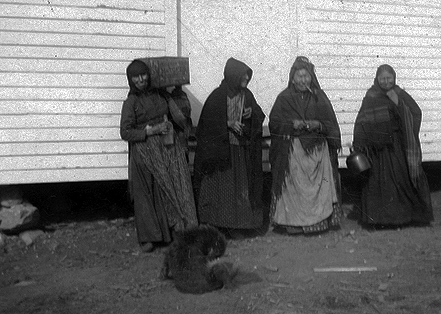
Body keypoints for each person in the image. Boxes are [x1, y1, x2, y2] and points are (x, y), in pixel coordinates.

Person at [120, 60, 198, 252]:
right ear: (130, 79)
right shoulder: (131, 103)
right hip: (144, 152)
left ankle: (173, 231)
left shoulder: (159, 95)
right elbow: (125, 132)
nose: (141, 80)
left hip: (165, 147)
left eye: (143, 75)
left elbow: (177, 115)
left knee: (169, 189)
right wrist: (149, 131)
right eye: (136, 77)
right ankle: (150, 237)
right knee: (147, 194)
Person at [352, 64, 433, 227]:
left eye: (389, 78)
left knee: (400, 181)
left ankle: (403, 218)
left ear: (394, 78)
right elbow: (361, 119)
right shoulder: (371, 95)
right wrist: (359, 141)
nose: (386, 81)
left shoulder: (399, 94)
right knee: (377, 184)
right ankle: (380, 219)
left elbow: (415, 113)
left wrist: (399, 105)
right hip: (376, 149)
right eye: (382, 78)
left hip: (396, 146)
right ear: (377, 79)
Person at [269, 56, 343, 234]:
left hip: (318, 151)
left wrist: (318, 125)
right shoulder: (284, 98)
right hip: (294, 151)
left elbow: (331, 123)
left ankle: (319, 222)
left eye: (306, 76)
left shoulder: (319, 97)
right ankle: (294, 224)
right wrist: (291, 125)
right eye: (299, 76)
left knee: (320, 188)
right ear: (292, 78)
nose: (303, 80)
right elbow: (274, 123)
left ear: (312, 77)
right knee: (295, 190)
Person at [194, 58, 266, 238]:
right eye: (243, 77)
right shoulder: (217, 96)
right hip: (222, 153)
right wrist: (228, 123)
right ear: (233, 76)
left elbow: (258, 114)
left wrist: (252, 114)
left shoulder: (247, 95)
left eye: (247, 78)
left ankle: (239, 225)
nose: (246, 80)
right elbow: (207, 123)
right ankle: (221, 225)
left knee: (240, 191)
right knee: (223, 191)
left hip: (241, 151)